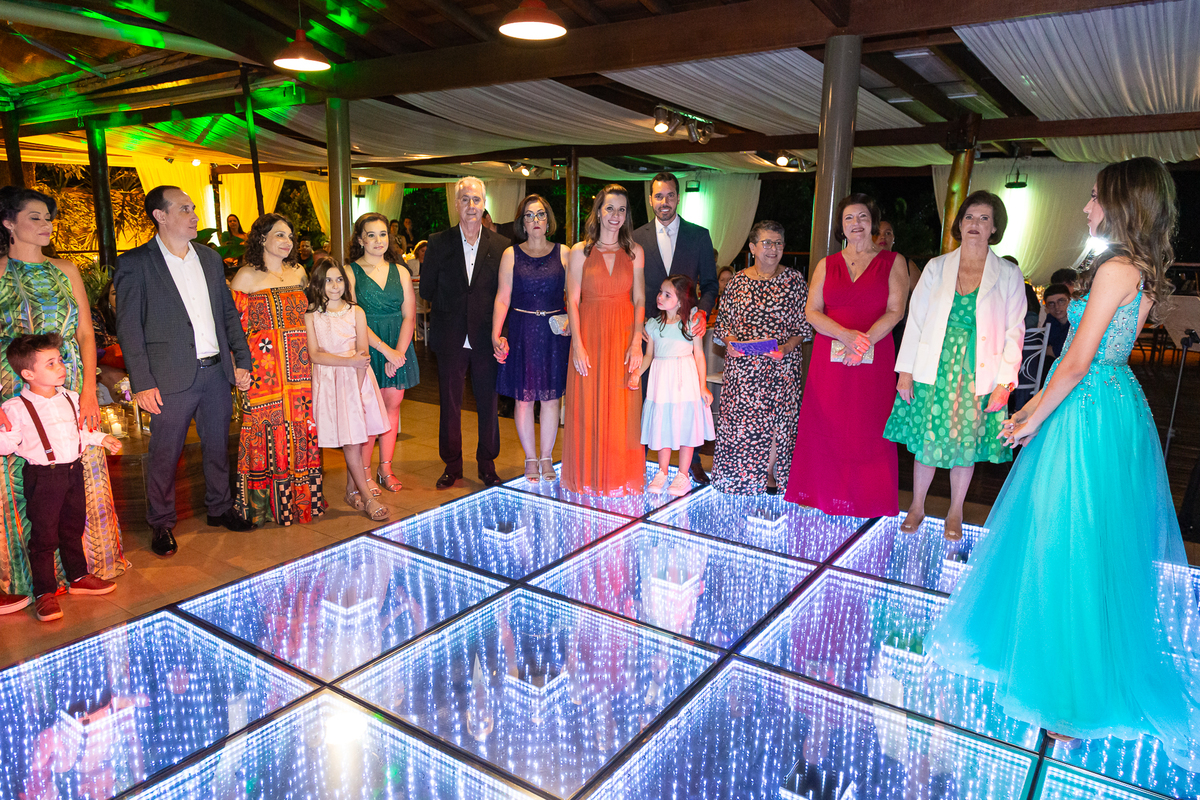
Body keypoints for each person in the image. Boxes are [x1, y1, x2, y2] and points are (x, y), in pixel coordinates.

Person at [929, 157, 1200, 760]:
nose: (1086, 206)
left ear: (1123, 203)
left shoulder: (1117, 269)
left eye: (1096, 197)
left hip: (1086, 410)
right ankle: (1057, 664)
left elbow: (1077, 360)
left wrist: (1032, 417)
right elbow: (1085, 355)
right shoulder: (1137, 268)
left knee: (1070, 539)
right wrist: (1036, 407)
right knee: (1084, 538)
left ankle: (1072, 694)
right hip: (1106, 404)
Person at [0, 186, 128, 615]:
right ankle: (25, 583)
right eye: (34, 217)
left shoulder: (65, 269)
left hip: (69, 384)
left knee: (74, 479)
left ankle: (78, 570)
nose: (46, 225)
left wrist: (89, 389)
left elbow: (86, 333)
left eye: (48, 217)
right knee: (15, 486)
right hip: (12, 387)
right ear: (8, 222)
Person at [115, 185, 255, 559]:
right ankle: (161, 522)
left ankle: (220, 508)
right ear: (160, 215)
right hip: (169, 377)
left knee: (217, 446)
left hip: (215, 373)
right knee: (165, 454)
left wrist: (242, 359)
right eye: (184, 209)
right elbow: (129, 328)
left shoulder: (209, 258)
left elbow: (227, 314)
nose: (194, 216)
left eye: (193, 208)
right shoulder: (135, 263)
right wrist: (142, 383)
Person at [884, 191, 1025, 541]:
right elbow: (916, 321)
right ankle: (917, 506)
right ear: (959, 224)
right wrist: (906, 372)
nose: (975, 224)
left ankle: (955, 511)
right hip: (934, 367)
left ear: (995, 228)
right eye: (969, 217)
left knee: (965, 444)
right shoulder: (937, 267)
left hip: (979, 371)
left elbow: (1015, 331)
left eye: (984, 218)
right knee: (927, 440)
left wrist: (1005, 383)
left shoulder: (1008, 273)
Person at [785, 194, 907, 517]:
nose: (856, 224)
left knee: (869, 425)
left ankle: (867, 500)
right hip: (830, 357)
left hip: (875, 356)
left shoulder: (893, 262)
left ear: (873, 222)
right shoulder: (826, 265)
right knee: (827, 425)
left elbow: (896, 311)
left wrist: (862, 342)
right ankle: (825, 495)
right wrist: (844, 335)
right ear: (841, 226)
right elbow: (812, 311)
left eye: (863, 217)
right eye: (849, 218)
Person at [0, 334, 123, 621]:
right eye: (51, 363)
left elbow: (80, 432)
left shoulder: (71, 398)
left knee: (72, 527)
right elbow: (7, 446)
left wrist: (102, 438)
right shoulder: (15, 408)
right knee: (44, 536)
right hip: (43, 477)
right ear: (28, 374)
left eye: (60, 360)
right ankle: (44, 592)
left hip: (73, 472)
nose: (61, 367)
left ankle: (78, 577)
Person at [229, 213, 324, 527]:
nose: (287, 242)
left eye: (290, 236)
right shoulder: (245, 277)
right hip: (263, 370)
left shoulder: (299, 272)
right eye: (280, 235)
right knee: (263, 429)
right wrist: (238, 367)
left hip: (299, 368)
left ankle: (301, 501)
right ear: (261, 238)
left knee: (300, 427)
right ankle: (263, 506)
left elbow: (315, 315)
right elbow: (233, 328)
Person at [711, 221, 812, 495]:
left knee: (778, 421)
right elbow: (724, 325)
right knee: (742, 422)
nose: (773, 249)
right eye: (767, 243)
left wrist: (786, 349)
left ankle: (769, 472)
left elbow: (803, 327)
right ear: (753, 247)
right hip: (744, 368)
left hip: (781, 365)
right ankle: (739, 474)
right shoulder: (737, 282)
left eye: (778, 243)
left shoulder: (794, 281)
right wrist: (731, 344)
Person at [419, 177, 508, 489]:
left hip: (487, 336)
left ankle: (487, 465)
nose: (471, 205)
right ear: (456, 204)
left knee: (488, 403)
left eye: (476, 200)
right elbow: (427, 289)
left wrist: (501, 333)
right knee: (450, 405)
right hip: (450, 335)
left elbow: (505, 293)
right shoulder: (438, 242)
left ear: (484, 205)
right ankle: (452, 466)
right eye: (465, 199)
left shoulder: (501, 246)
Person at [632, 172, 719, 485]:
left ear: (678, 198)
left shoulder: (699, 235)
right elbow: (631, 287)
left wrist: (702, 312)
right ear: (650, 199)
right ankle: (641, 463)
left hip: (684, 331)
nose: (664, 201)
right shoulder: (636, 237)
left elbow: (710, 284)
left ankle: (690, 465)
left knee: (684, 403)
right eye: (658, 196)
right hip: (649, 331)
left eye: (670, 195)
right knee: (651, 401)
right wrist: (635, 328)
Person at [561, 184, 646, 496]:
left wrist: (636, 342)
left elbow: (640, 299)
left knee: (621, 411)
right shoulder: (579, 252)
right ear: (598, 212)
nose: (615, 215)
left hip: (623, 337)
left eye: (621, 210)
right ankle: (589, 476)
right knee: (588, 409)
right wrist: (578, 345)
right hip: (590, 337)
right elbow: (572, 301)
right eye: (609, 208)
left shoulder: (635, 252)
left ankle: (617, 478)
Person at [305, 257, 390, 521]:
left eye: (339, 279)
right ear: (318, 284)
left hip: (356, 380)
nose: (335, 285)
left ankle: (354, 491)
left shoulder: (356, 312)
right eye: (328, 280)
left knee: (356, 439)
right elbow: (315, 355)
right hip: (330, 381)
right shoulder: (312, 315)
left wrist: (358, 384)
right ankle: (366, 496)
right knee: (350, 440)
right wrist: (348, 362)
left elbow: (362, 352)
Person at [492, 194, 570, 483]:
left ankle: (547, 457)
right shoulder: (510, 255)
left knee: (551, 398)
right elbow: (502, 298)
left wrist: (571, 321)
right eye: (529, 215)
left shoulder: (565, 253)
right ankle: (530, 458)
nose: (535, 220)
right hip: (522, 330)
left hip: (554, 333)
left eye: (540, 214)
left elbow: (576, 297)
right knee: (523, 400)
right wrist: (495, 334)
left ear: (548, 220)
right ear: (522, 223)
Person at [345, 212, 420, 495]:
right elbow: (353, 318)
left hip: (398, 344)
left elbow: (409, 316)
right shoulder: (350, 272)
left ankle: (385, 468)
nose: (378, 240)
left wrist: (398, 353)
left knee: (392, 405)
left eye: (383, 234)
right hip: (369, 346)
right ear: (360, 240)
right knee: (368, 411)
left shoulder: (401, 271)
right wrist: (385, 351)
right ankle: (364, 475)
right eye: (371, 235)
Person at [635, 275, 714, 496]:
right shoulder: (653, 325)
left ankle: (683, 474)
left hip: (685, 381)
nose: (660, 297)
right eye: (660, 292)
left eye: (667, 294)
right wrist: (636, 374)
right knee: (663, 426)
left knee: (686, 426)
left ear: (681, 301)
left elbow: (699, 355)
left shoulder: (691, 323)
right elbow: (649, 356)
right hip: (661, 383)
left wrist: (703, 386)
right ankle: (662, 472)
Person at [1042, 282, 1072, 360]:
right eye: (1051, 304)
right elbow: (1041, 345)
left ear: (1070, 301)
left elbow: (1069, 352)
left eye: (1061, 301)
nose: (1057, 307)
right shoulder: (1051, 319)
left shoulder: (1077, 321)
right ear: (1046, 307)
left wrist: (1053, 350)